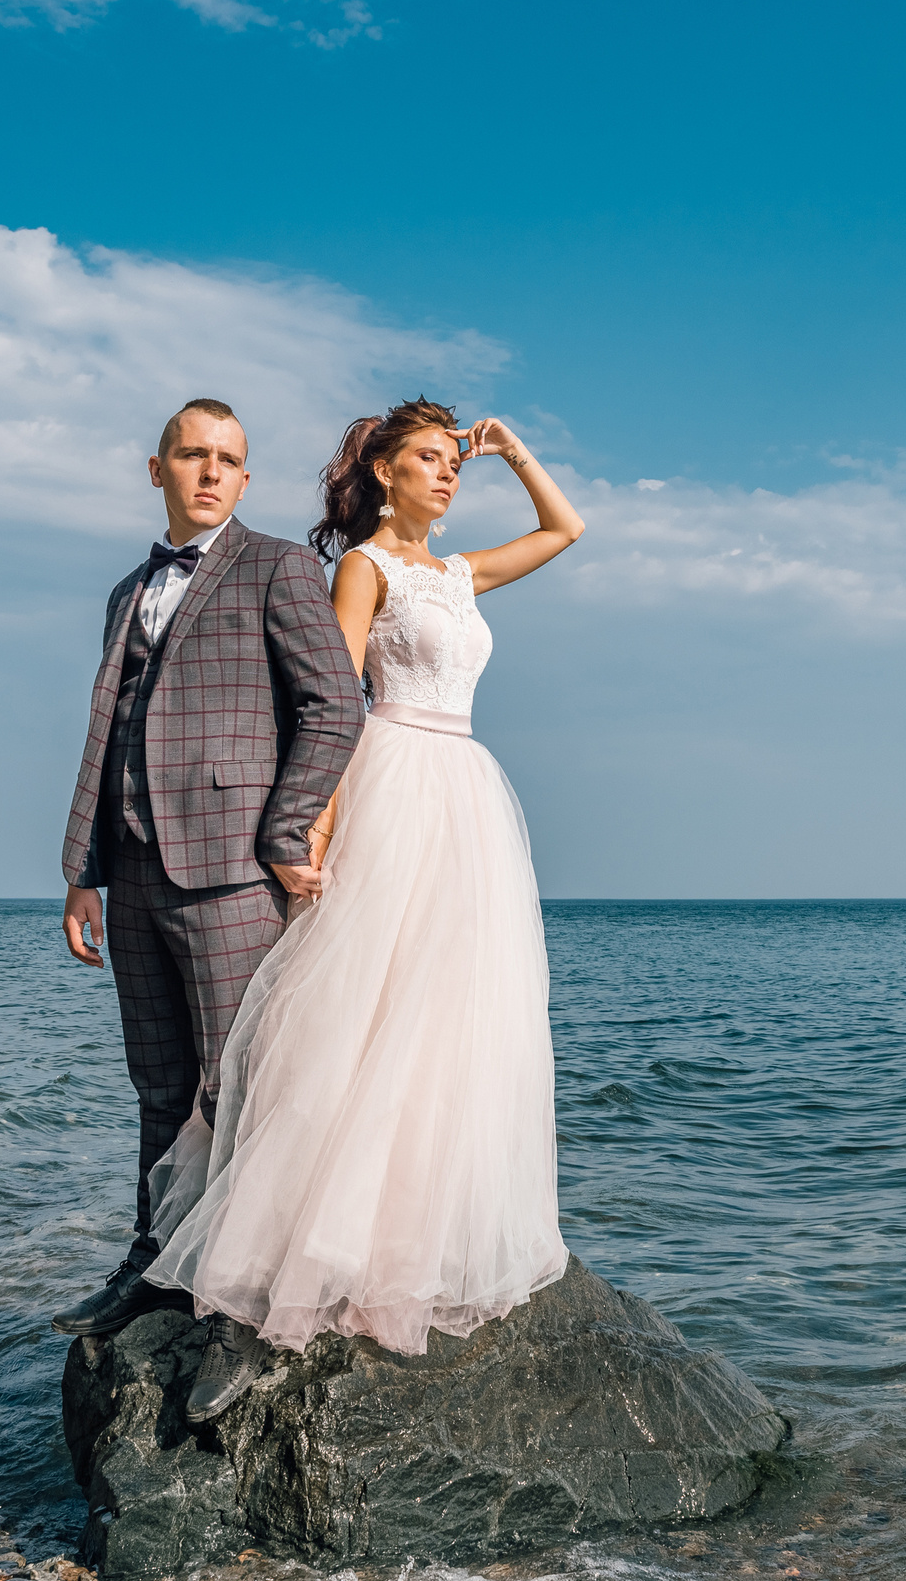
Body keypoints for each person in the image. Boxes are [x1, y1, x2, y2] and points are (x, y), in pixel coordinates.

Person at [141, 397, 587, 1419]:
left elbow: (565, 530)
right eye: (427, 460)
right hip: (390, 779)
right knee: (356, 1010)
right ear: (384, 473)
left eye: (452, 464)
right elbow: (331, 700)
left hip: (468, 796)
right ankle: (293, 1247)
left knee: (449, 1018)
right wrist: (313, 828)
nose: (445, 475)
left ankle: (408, 1231)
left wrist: (513, 449)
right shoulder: (365, 567)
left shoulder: (462, 571)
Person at [49, 398, 366, 1339]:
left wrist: (285, 832)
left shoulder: (279, 566)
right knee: (157, 1085)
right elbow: (108, 734)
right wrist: (84, 870)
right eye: (193, 455)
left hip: (232, 872)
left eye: (228, 458)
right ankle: (154, 1264)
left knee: (239, 1088)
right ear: (159, 470)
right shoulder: (124, 592)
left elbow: (335, 709)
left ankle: (240, 1291)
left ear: (245, 477)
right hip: (137, 872)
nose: (211, 471)